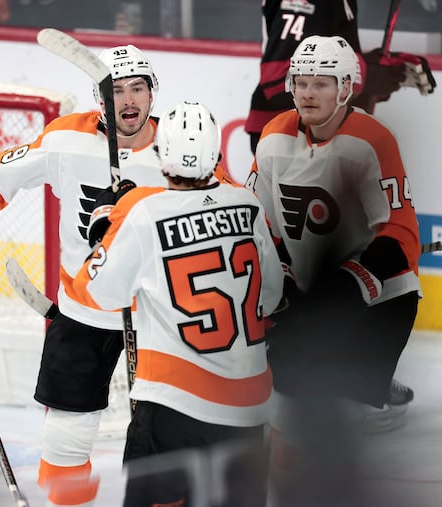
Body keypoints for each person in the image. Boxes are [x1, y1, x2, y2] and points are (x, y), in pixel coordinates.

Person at [0, 44, 166, 507]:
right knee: (67, 426)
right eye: (116, 91)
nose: (128, 101)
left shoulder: (178, 148)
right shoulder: (67, 138)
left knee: (160, 435)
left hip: (155, 316)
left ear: (153, 93)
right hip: (83, 309)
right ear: (99, 98)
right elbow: (0, 174)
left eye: (137, 89)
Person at [71, 101, 284, 507]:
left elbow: (97, 292)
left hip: (174, 408)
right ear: (217, 155)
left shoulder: (143, 212)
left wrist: (104, 228)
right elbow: (272, 296)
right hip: (248, 409)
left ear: (161, 155)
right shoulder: (248, 205)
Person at [245, 35, 421, 505]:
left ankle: (364, 397)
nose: (307, 93)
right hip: (309, 299)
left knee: (333, 423)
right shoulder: (274, 136)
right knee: (286, 410)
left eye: (320, 83)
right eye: (301, 82)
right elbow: (258, 222)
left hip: (377, 301)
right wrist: (282, 277)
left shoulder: (372, 140)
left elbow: (401, 235)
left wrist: (345, 289)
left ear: (346, 88)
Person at [245, 0, 436, 155]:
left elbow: (333, 64)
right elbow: (277, 78)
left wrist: (384, 73)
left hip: (327, 136)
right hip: (287, 135)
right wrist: (365, 73)